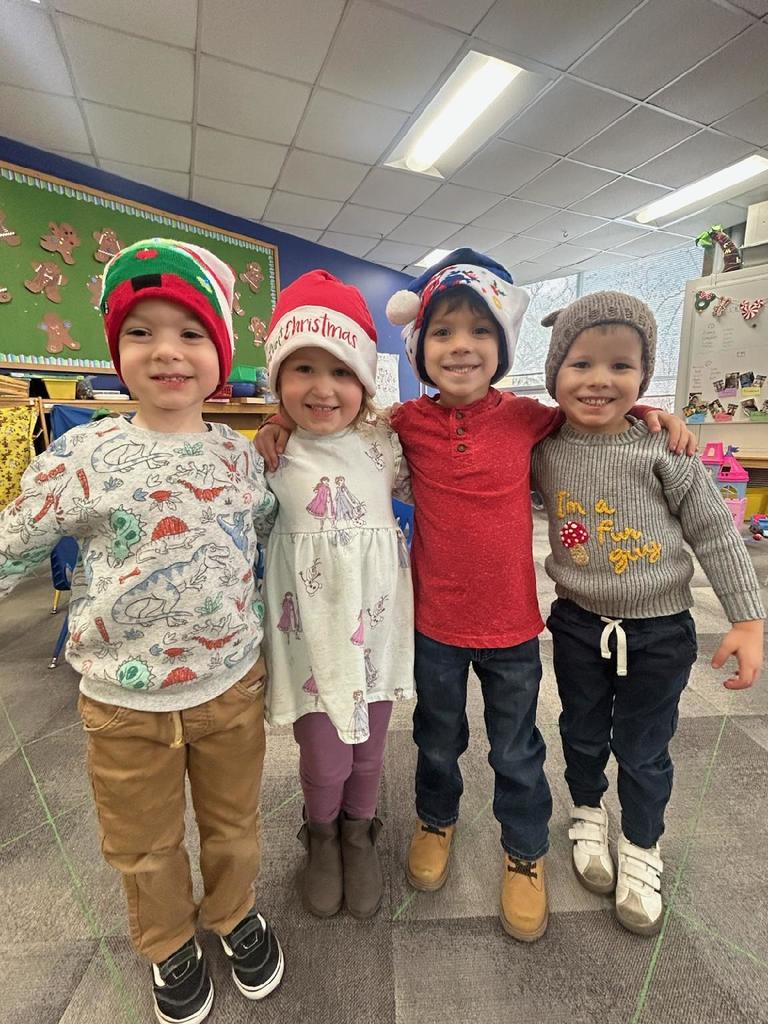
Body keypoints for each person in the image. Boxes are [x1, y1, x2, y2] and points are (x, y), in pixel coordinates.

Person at [258, 248, 694, 942]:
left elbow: (593, 410)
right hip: (430, 623)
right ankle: (436, 820)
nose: (461, 346)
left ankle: (524, 855)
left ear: (503, 347)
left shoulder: (528, 418)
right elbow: (334, 435)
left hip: (514, 627)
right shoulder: (400, 426)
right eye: (442, 333)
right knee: (437, 739)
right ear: (418, 351)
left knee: (516, 749)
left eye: (479, 332)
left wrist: (645, 409)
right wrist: (277, 423)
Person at [0, 239, 284, 1024]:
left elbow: (263, 526)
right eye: (141, 332)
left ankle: (232, 914)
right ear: (115, 351)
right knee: (144, 842)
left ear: (220, 353)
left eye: (191, 333)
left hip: (230, 684)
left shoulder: (238, 457)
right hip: (124, 702)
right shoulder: (83, 456)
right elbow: (14, 540)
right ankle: (167, 941)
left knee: (234, 822)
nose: (166, 351)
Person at [532, 291, 764, 935]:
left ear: (644, 377)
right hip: (578, 623)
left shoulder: (666, 449)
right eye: (581, 364)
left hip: (660, 631)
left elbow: (716, 532)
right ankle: (586, 811)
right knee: (580, 732)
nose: (600, 380)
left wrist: (747, 619)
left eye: (621, 366)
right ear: (554, 375)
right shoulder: (543, 447)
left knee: (644, 748)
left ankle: (640, 844)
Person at [261, 269, 414, 920]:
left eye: (342, 371)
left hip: (377, 632)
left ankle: (359, 831)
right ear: (278, 381)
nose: (323, 388)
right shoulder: (270, 452)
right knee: (323, 755)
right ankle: (320, 832)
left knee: (373, 749)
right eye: (303, 370)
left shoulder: (385, 443)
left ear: (365, 384)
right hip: (312, 638)